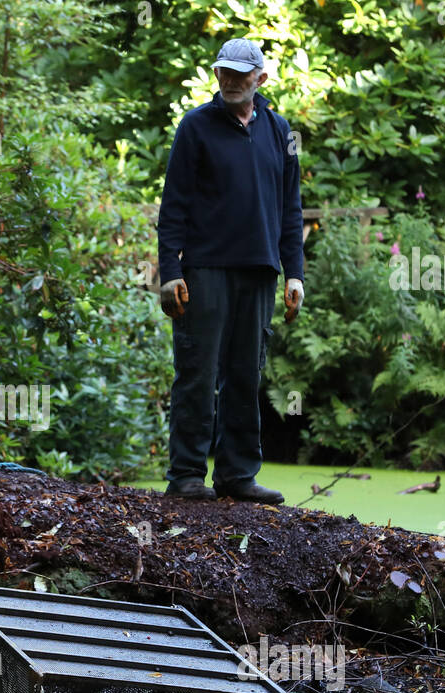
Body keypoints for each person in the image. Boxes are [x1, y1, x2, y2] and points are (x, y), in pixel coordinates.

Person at [156, 37, 305, 505]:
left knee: (245, 374)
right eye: (225, 71)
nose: (233, 80)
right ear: (216, 74)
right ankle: (185, 476)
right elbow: (173, 206)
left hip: (260, 271)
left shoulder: (281, 132)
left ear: (261, 78)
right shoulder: (195, 127)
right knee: (197, 372)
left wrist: (294, 273)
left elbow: (291, 210)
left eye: (243, 73)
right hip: (205, 270)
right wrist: (169, 271)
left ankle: (238, 475)